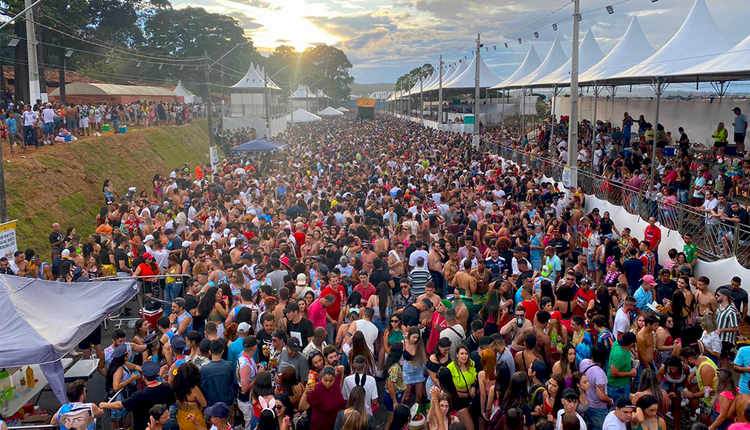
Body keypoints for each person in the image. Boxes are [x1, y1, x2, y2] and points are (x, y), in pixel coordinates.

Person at [99, 361, 175, 430]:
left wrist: (104, 404)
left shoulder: (139, 395)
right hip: (163, 425)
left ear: (143, 377)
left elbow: (121, 404)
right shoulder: (167, 388)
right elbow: (173, 402)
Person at [299, 365, 346, 430]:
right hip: (320, 426)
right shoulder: (317, 389)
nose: (328, 383)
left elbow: (340, 380)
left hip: (335, 425)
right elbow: (302, 407)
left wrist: (341, 371)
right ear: (322, 378)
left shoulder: (337, 380)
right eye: (325, 380)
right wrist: (305, 393)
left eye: (331, 381)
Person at [607, 333, 638, 402]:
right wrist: (630, 373)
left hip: (619, 384)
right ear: (631, 344)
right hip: (618, 386)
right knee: (620, 406)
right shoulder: (620, 355)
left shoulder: (617, 343)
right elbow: (614, 373)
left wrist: (629, 361)